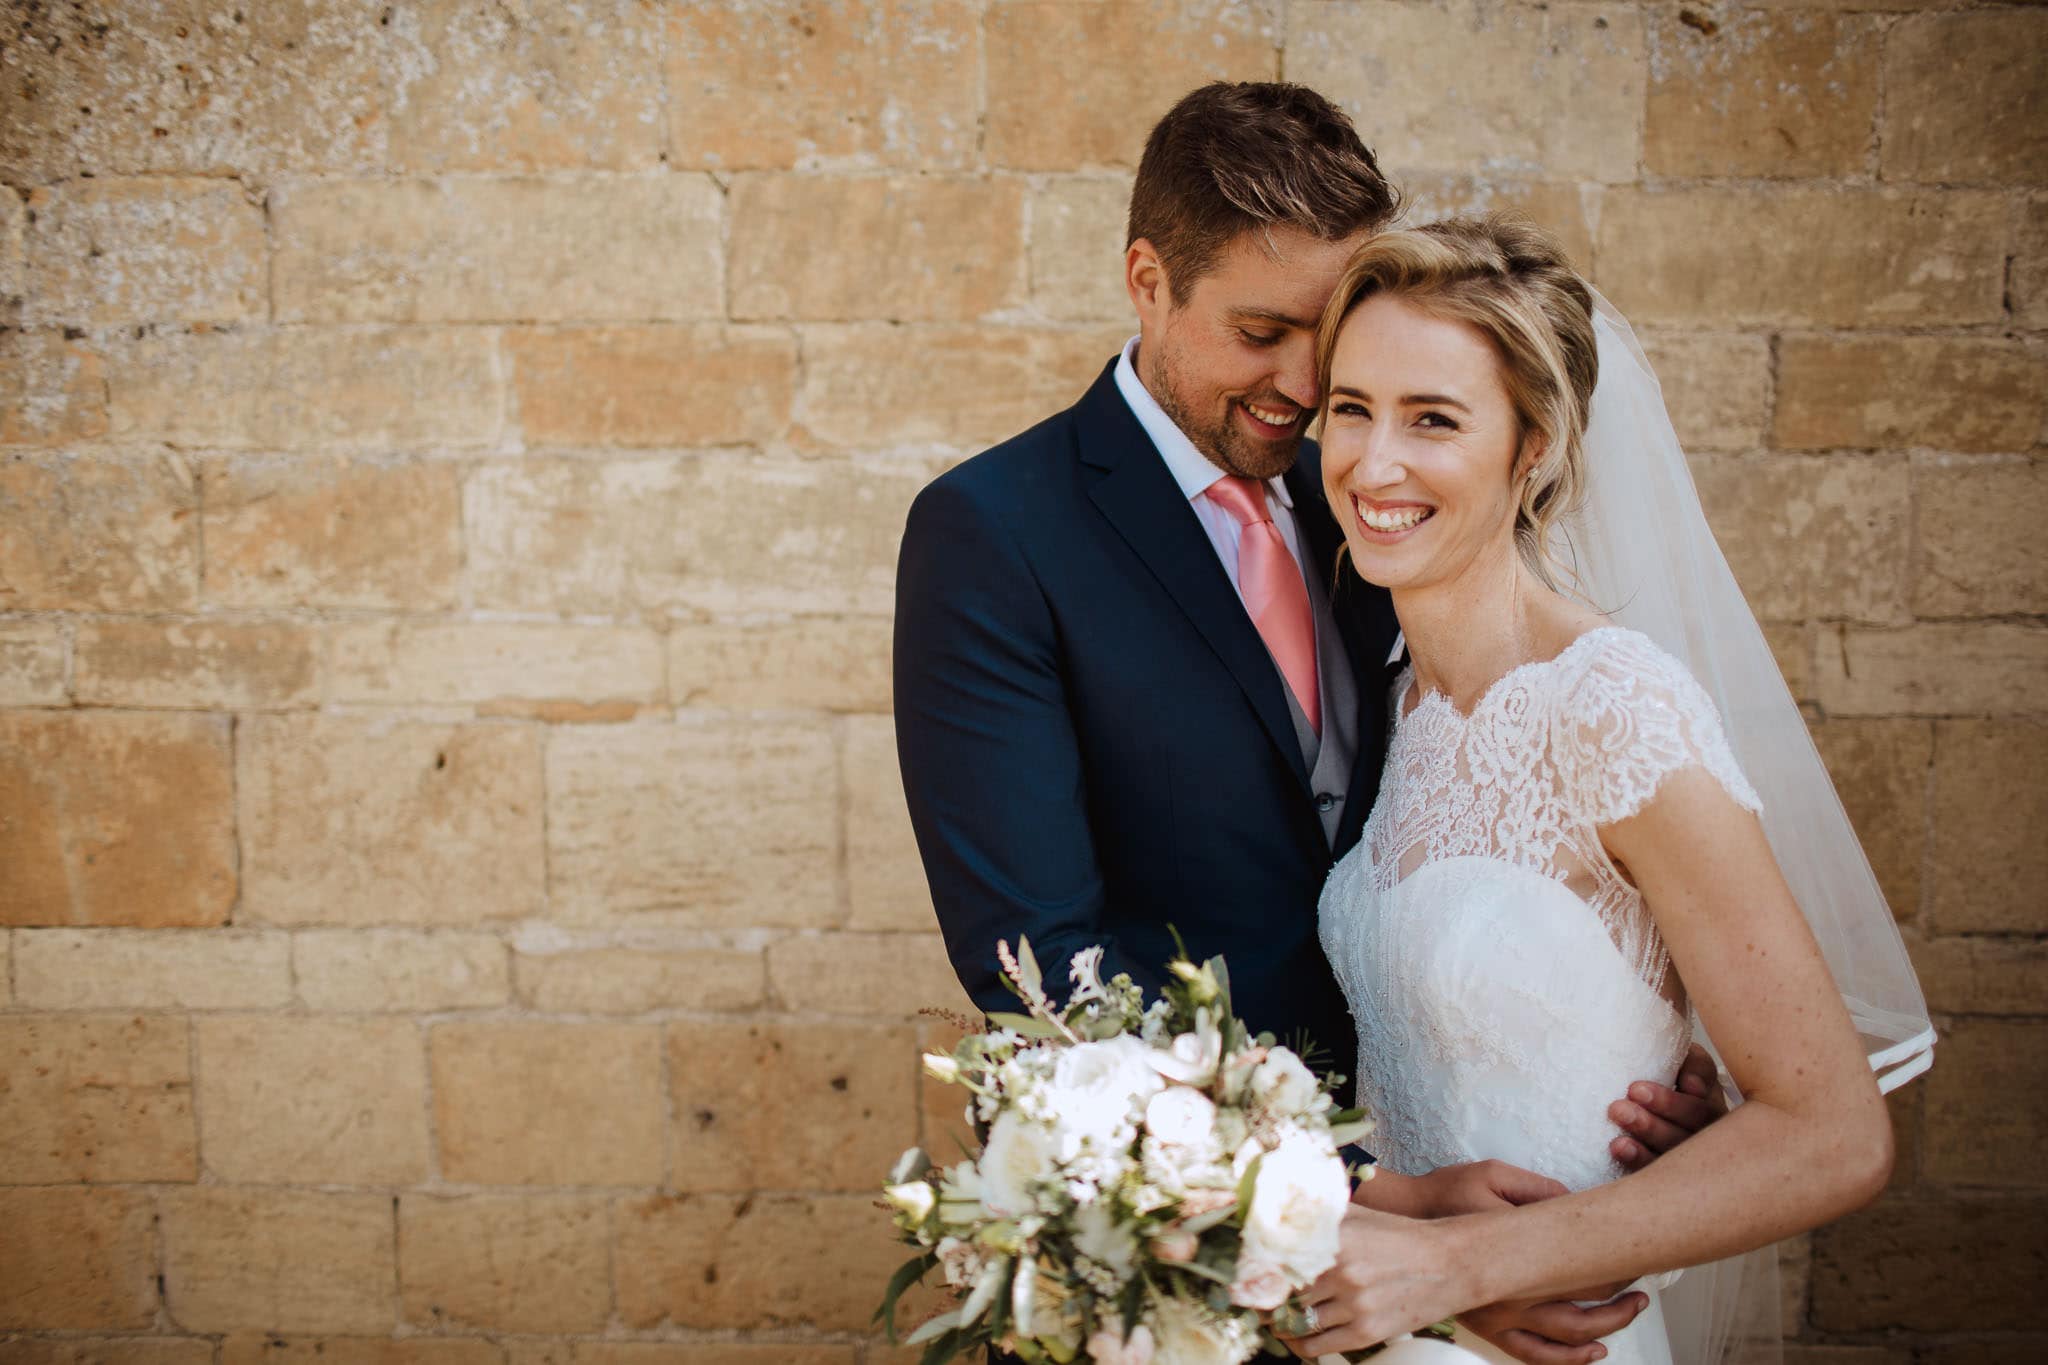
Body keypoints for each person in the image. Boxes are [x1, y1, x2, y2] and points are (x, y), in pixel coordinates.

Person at [893, 83, 1725, 1365]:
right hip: (1200, 1253)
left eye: (1322, 337)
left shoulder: (1369, 493)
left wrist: (1642, 1046)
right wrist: (1369, 1214)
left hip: (1484, 1197)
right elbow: (1047, 978)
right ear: (1146, 280)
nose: (1302, 386)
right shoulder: (995, 534)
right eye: (1258, 331)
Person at [1290, 215, 1935, 1365]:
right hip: (1381, 1329)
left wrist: (1465, 1267)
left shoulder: (1609, 704)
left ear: (1530, 445)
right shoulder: (1394, 701)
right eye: (1349, 407)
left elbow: (1834, 1133)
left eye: (1431, 419)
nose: (1370, 463)